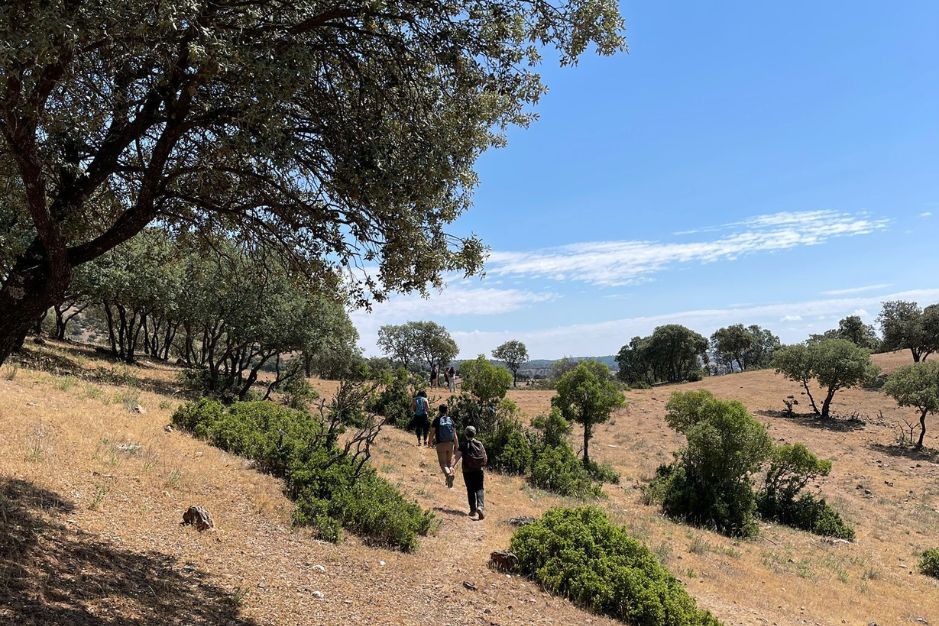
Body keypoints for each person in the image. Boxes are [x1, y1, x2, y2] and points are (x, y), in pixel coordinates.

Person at [450, 425, 488, 519]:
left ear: (465, 434)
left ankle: (473, 510)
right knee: (479, 488)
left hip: (467, 471)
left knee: (470, 489)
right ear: (474, 434)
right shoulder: (479, 444)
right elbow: (485, 458)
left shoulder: (463, 445)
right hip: (479, 470)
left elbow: (457, 456)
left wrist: (451, 466)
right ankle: (480, 507)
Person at [430, 404, 458, 488]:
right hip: (450, 443)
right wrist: (457, 445)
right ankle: (449, 480)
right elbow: (455, 434)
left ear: (439, 410)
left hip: (441, 443)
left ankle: (449, 475)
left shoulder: (437, 420)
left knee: (443, 464)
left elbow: (432, 432)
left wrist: (429, 442)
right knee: (449, 463)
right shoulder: (451, 420)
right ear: (447, 411)